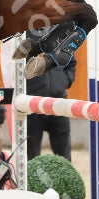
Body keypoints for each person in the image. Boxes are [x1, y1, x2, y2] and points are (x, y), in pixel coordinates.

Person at [24, 28, 76, 161]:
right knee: (31, 158)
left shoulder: (63, 32)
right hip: (32, 106)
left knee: (65, 158)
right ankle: (30, 183)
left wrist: (65, 80)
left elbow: (71, 62)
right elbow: (14, 65)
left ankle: (66, 182)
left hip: (59, 104)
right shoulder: (23, 35)